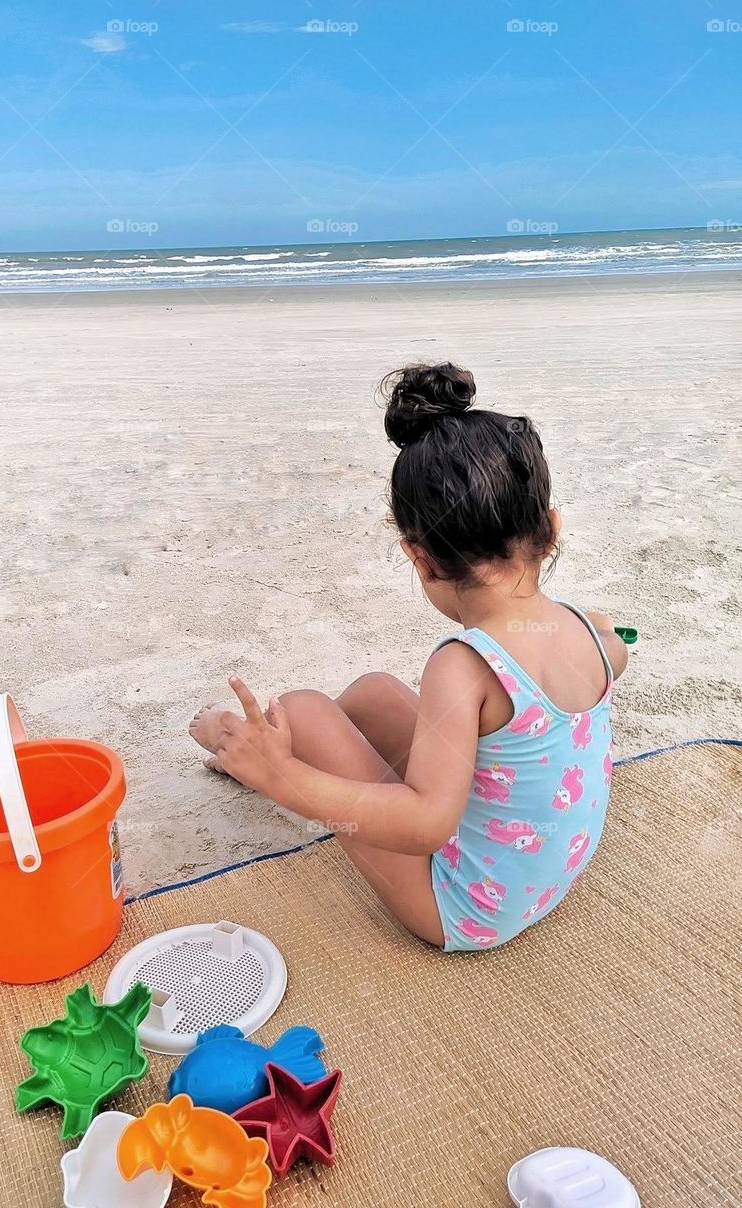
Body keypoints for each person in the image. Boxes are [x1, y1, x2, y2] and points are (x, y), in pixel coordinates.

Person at [190, 363, 628, 951]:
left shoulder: (464, 664)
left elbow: (428, 824)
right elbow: (616, 654)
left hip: (466, 907)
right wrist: (602, 638)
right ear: (550, 529)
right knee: (371, 692)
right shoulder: (588, 631)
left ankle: (256, 755)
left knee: (305, 708)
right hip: (543, 872)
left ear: (419, 558)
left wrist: (283, 779)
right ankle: (263, 747)